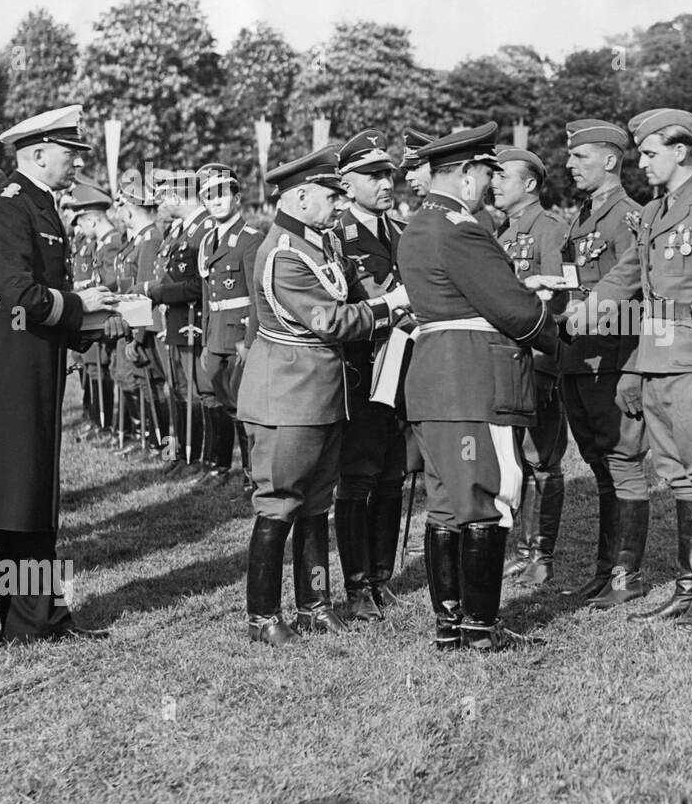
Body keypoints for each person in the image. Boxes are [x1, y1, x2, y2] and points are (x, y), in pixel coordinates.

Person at [237, 146, 410, 645]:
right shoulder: (284, 253)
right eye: (333, 196)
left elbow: (351, 295)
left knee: (315, 504)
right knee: (278, 504)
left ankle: (314, 604)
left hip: (321, 395)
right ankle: (263, 616)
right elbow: (330, 320)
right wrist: (390, 306)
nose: (340, 204)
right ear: (302, 196)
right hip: (286, 397)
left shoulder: (320, 243)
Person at [396, 123, 560, 651]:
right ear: (466, 175)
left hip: (434, 382)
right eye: (486, 173)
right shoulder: (462, 228)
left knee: (446, 504)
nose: (490, 183)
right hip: (473, 382)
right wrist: (548, 323)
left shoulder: (423, 224)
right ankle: (481, 628)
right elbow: (512, 310)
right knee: (488, 499)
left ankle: (451, 626)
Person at [572, 109, 692, 624]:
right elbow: (631, 285)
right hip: (659, 360)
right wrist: (625, 359)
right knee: (677, 478)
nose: (640, 163)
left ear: (681, 151)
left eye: (649, 153)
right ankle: (686, 590)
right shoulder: (651, 214)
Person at [0, 105, 125, 647]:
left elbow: (44, 301)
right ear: (37, 154)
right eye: (70, 153)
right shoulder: (8, 207)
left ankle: (37, 622)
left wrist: (92, 321)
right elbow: (21, 296)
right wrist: (81, 306)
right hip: (6, 377)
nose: (77, 163)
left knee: (31, 498)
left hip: (32, 370)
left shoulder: (39, 204)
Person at [557, 119, 650, 603]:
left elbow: (644, 299)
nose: (570, 165)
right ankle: (604, 570)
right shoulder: (583, 217)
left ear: (611, 160)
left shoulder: (628, 217)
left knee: (624, 463)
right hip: (580, 360)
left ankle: (625, 578)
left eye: (581, 157)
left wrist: (635, 368)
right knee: (600, 465)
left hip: (615, 361)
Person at [333, 129, 420, 621]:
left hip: (403, 364)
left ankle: (383, 575)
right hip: (362, 368)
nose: (386, 182)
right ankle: (356, 582)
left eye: (388, 173)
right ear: (347, 185)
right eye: (372, 175)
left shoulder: (401, 231)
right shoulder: (336, 235)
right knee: (358, 476)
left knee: (392, 472)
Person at [491, 145, 571, 587]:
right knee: (513, 460)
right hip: (506, 361)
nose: (495, 184)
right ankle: (520, 552)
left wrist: (546, 364)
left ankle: (541, 555)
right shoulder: (503, 234)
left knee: (542, 460)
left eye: (504, 177)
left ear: (530, 184)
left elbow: (561, 299)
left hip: (538, 361)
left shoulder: (550, 230)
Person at [141, 169, 214, 473]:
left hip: (193, 323)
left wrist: (157, 292)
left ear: (175, 195)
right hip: (177, 322)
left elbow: (200, 284)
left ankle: (206, 460)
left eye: (163, 196)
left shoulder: (204, 230)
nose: (160, 203)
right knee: (182, 393)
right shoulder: (185, 231)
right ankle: (184, 455)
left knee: (199, 395)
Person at [196, 163, 262, 487]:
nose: (217, 200)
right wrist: (206, 342)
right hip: (216, 337)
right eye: (209, 195)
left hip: (239, 337)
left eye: (223, 193)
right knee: (226, 405)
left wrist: (250, 343)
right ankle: (227, 470)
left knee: (245, 409)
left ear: (237, 197)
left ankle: (253, 476)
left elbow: (257, 295)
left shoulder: (251, 239)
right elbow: (209, 296)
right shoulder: (207, 242)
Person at [111, 171, 169, 452]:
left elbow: (143, 294)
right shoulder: (139, 240)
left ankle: (160, 444)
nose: (117, 211)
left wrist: (138, 335)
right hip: (136, 324)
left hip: (147, 326)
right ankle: (148, 439)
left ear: (131, 208)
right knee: (133, 380)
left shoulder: (150, 240)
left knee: (153, 386)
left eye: (121, 205)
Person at [67, 181, 124, 439]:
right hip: (90, 313)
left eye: (81, 220)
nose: (78, 227)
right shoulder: (97, 244)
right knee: (90, 369)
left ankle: (106, 422)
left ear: (91, 219)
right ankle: (96, 418)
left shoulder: (110, 243)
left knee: (105, 372)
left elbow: (111, 282)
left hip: (101, 314)